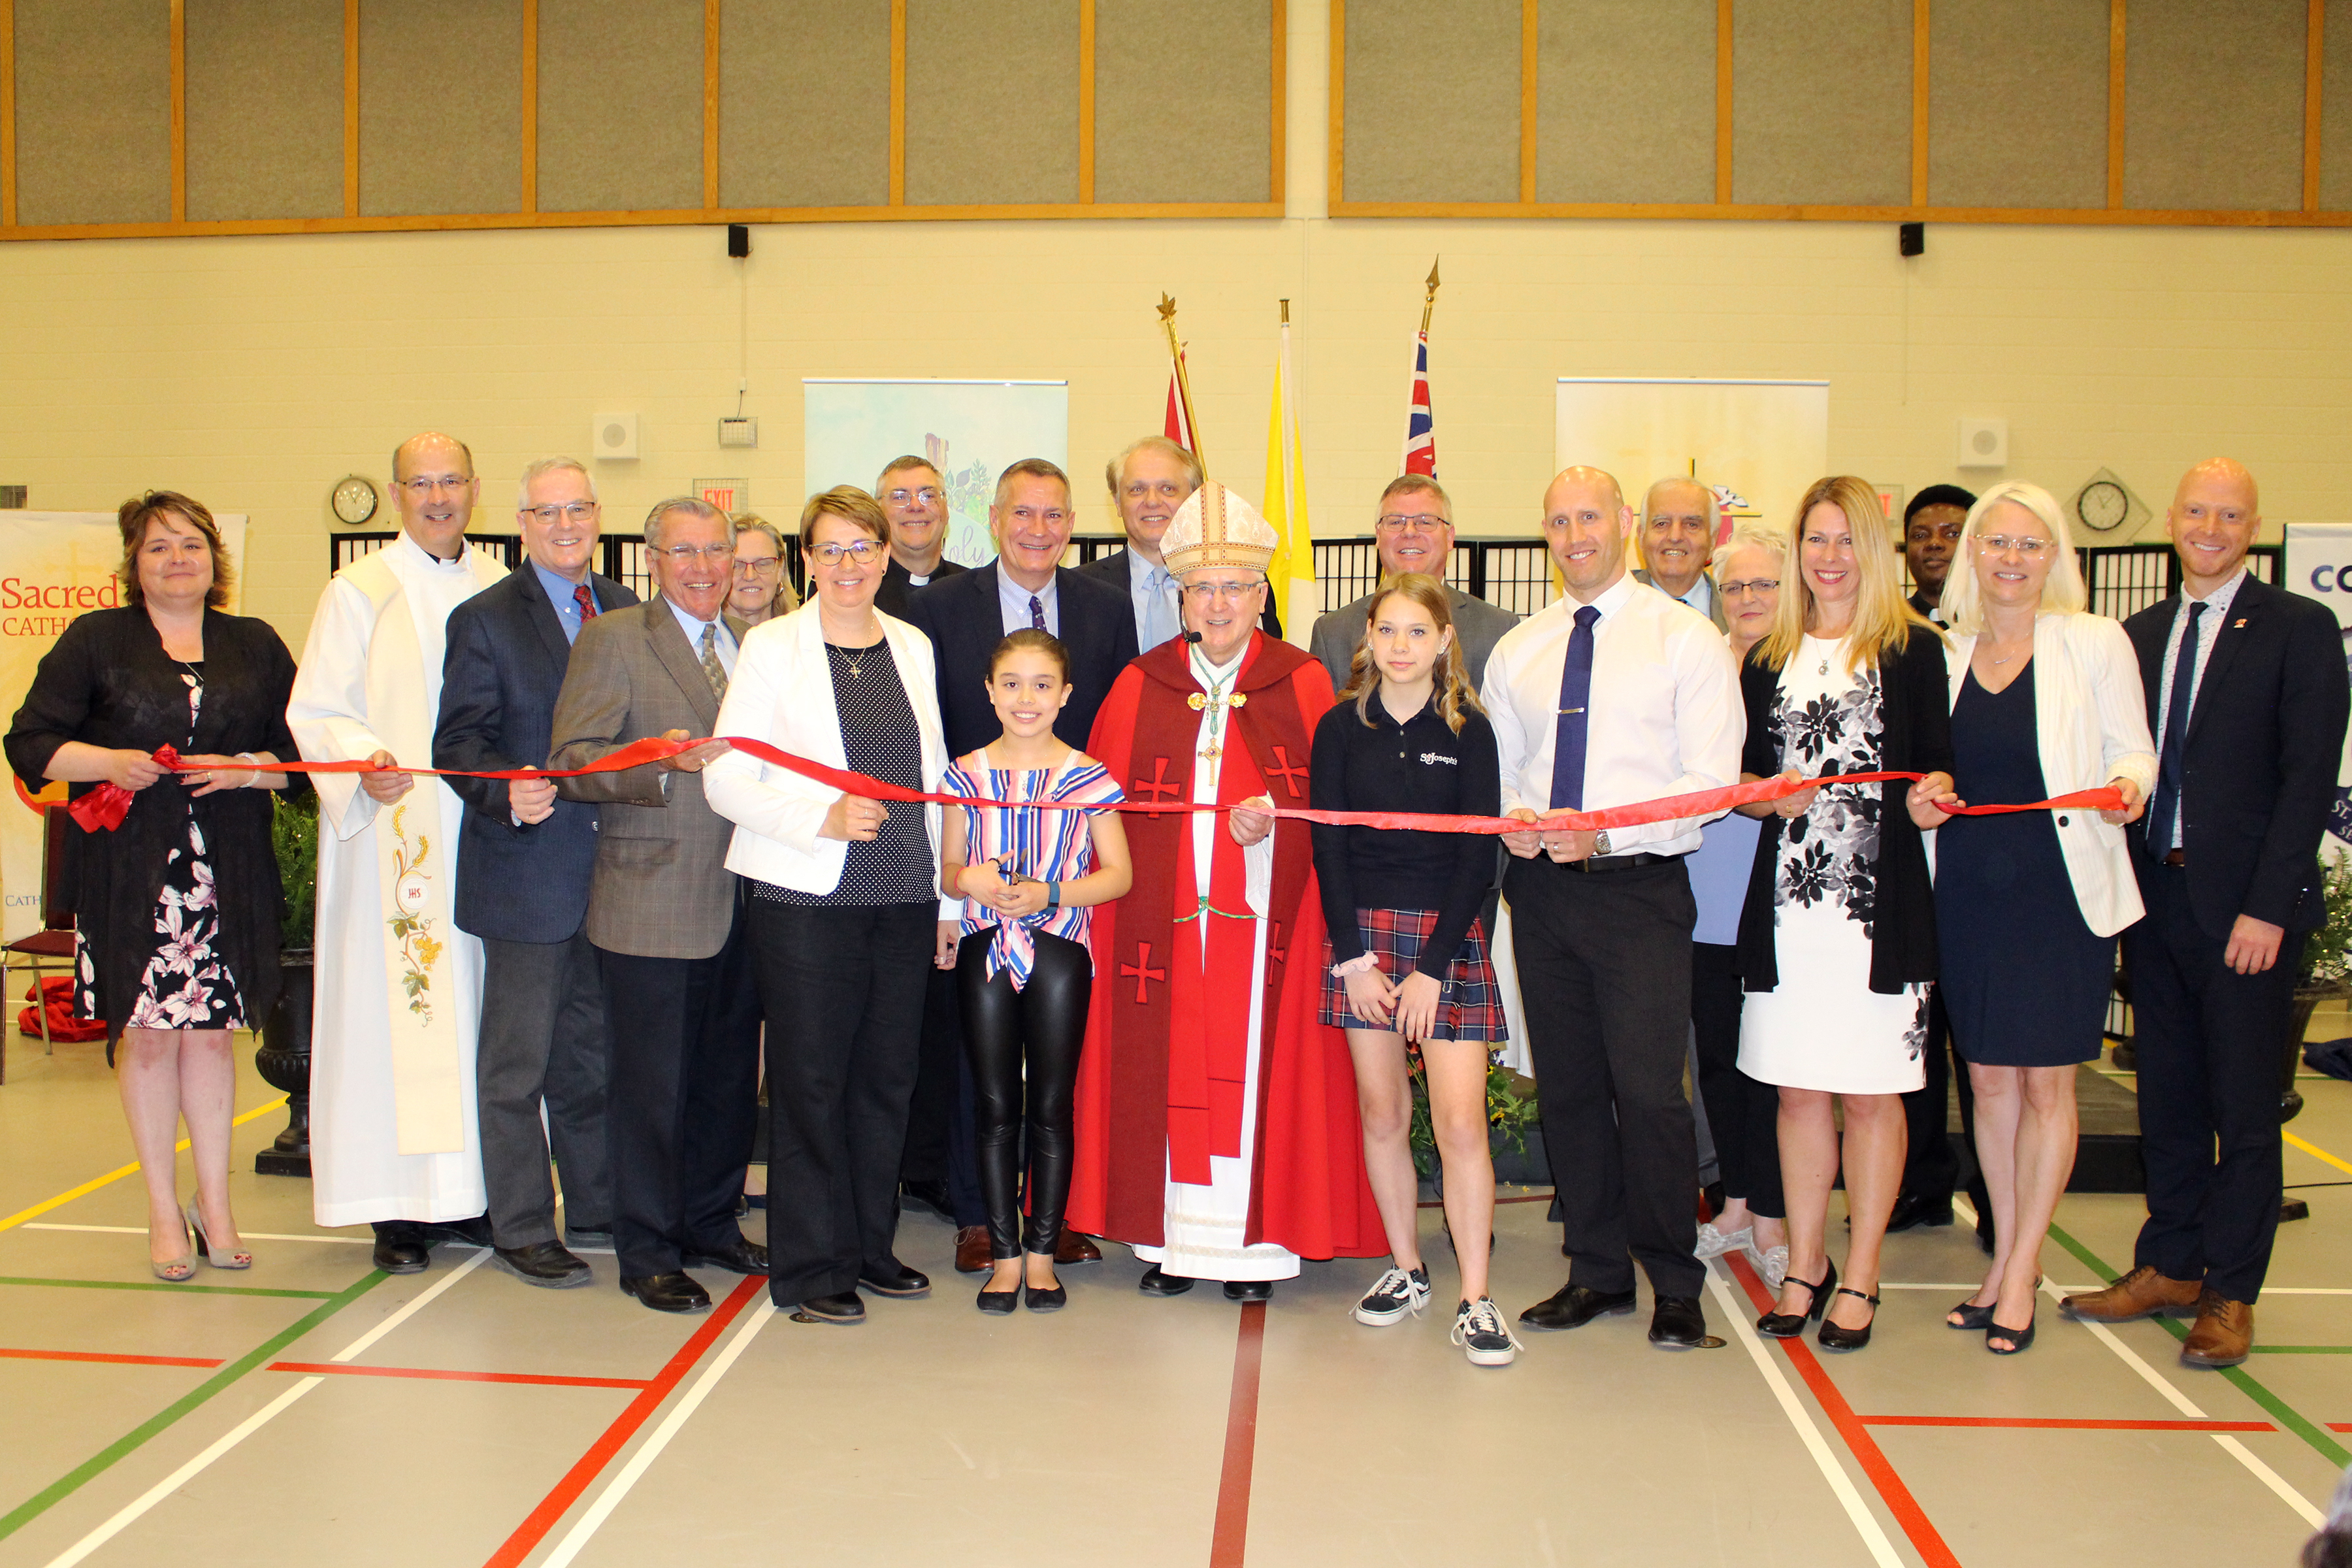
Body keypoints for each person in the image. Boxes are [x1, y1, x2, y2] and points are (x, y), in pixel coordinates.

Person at [2062, 457, 2349, 1369]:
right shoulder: (2135, 634)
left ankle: (2232, 1290)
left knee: (2245, 1107)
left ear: (2253, 526)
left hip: (2247, 917)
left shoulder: (2300, 631)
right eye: (2196, 511)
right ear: (2174, 519)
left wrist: (2268, 909)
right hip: (2158, 899)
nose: (2211, 528)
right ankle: (2170, 1263)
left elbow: (2309, 780)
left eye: (2230, 515)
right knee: (2171, 1096)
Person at [1068, 480, 1384, 1298]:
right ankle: (1174, 1246)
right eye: (1202, 588)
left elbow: (1338, 815)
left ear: (1262, 594)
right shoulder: (1140, 685)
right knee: (1163, 1068)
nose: (1218, 603)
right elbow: (1103, 810)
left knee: (1254, 1076)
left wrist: (1274, 827)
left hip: (1263, 933)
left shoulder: (1305, 683)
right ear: (1180, 598)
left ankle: (1255, 1252)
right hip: (1162, 933)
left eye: (1235, 588)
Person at [6, 493, 301, 1280]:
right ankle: (162, 1213)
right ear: (133, 565)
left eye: (192, 545)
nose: (178, 559)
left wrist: (248, 772)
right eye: (159, 547)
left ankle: (217, 1203)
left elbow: (300, 759)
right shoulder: (97, 640)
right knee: (147, 1038)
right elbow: (29, 742)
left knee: (209, 1036)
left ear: (216, 560)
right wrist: (106, 762)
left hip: (227, 876)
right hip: (133, 875)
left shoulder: (255, 644)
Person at [1481, 466, 1742, 1350]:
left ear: (1623, 524)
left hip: (1640, 894)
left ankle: (1674, 1281)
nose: (1575, 533)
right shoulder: (1521, 647)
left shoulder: (1686, 639)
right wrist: (1517, 824)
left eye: (1590, 516)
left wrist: (1608, 833)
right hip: (1545, 897)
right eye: (1559, 520)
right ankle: (1595, 1274)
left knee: (1651, 1095)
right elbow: (1508, 772)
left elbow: (1710, 785)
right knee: (1572, 1091)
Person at [705, 486, 947, 1324]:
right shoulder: (772, 648)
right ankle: (810, 1269)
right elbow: (725, 777)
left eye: (862, 548)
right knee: (812, 1084)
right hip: (807, 895)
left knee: (887, 1080)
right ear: (807, 561)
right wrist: (822, 818)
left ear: (886, 556)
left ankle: (868, 1246)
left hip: (905, 892)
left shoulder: (913, 644)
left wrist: (947, 898)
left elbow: (936, 776)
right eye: (830, 550)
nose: (848, 565)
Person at [1734, 476, 1955, 1354]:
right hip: (1789, 913)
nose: (1829, 558)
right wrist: (1763, 799)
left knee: (1869, 1100)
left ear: (1875, 550)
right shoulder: (1766, 660)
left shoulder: (1914, 652)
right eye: (1814, 541)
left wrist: (1935, 796)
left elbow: (1936, 771)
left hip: (1876, 915)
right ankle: (1805, 1264)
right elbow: (1746, 783)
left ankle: (1862, 1273)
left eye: (1845, 540)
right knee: (1796, 1095)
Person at [1933, 481, 2155, 1353]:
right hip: (1968, 895)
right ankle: (2002, 1259)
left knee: (2047, 1084)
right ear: (1972, 554)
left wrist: (2130, 787)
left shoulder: (2092, 643)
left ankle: (2021, 1266)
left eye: (2031, 544)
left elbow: (2132, 748)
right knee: (1988, 1081)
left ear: (2056, 557)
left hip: (2058, 892)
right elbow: (1926, 772)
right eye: (1998, 543)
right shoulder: (1943, 655)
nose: (2013, 559)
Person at [904, 458, 1137, 1274]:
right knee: (985, 1069)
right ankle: (981, 1215)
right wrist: (951, 891)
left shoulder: (1106, 611)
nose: (1039, 529)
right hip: (976, 883)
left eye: (1054, 515)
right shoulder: (938, 608)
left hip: (1067, 884)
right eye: (1023, 514)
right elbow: (929, 742)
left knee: (1056, 1078)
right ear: (995, 520)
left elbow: (1115, 729)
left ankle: (1051, 1219)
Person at [287, 432, 505, 1273]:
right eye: (422, 483)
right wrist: (361, 762)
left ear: (475, 490)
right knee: (398, 1013)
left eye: (452, 480)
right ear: (395, 493)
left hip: (484, 833)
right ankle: (395, 1207)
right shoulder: (358, 591)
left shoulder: (500, 585)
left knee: (479, 1015)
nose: (439, 496)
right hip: (396, 835)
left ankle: (473, 1197)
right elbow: (318, 707)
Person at [547, 497, 766, 1314]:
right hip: (650, 901)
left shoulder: (758, 644)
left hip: (749, 895)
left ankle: (713, 1220)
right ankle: (647, 1248)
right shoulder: (613, 639)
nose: (706, 568)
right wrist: (663, 765)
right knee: (649, 1091)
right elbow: (571, 764)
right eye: (687, 553)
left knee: (725, 1082)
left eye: (720, 553)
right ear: (652, 559)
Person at [433, 457, 638, 1289]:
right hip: (524, 875)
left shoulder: (628, 610)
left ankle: (593, 1207)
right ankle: (520, 1224)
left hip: (612, 873)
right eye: (546, 512)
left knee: (591, 1060)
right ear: (519, 524)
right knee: (516, 1067)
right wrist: (502, 794)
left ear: (597, 516)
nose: (565, 524)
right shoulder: (483, 618)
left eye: (578, 508)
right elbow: (457, 746)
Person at [1309, 575, 1513, 1365]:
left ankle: (1476, 1298)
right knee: (1383, 1115)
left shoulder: (1472, 731)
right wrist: (1356, 960)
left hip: (1446, 944)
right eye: (1386, 632)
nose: (1400, 647)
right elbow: (1330, 849)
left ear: (1443, 642)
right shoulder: (1338, 729)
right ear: (1368, 641)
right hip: (1364, 945)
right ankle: (1407, 1268)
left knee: (1460, 1124)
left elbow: (1477, 853)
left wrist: (1431, 968)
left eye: (1416, 633)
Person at [937, 630, 1133, 1312]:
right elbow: (949, 870)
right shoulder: (963, 774)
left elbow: (1119, 875)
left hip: (1059, 950)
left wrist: (1050, 892)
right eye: (1012, 684)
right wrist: (974, 881)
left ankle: (1045, 1254)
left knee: (1050, 1106)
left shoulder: (1090, 777)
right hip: (986, 947)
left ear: (1066, 695)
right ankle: (1004, 1254)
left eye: (1042, 685)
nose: (1027, 699)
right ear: (989, 692)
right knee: (995, 1106)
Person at [1686, 522, 1789, 1288]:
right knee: (1720, 1059)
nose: (1749, 598)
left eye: (1764, 585)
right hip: (1707, 887)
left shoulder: (1810, 668)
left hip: (1787, 896)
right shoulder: (1702, 661)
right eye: (1736, 586)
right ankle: (1736, 1203)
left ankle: (1778, 1213)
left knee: (1778, 1064)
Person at [1892, 482, 1981, 1241]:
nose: (1934, 543)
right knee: (1915, 1036)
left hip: (1990, 867)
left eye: (1951, 530)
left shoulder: (2004, 628)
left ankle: (1989, 1191)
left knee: (1981, 1041)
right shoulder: (1894, 633)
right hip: (1907, 862)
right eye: (1921, 532)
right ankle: (1921, 1181)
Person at [1307, 475, 1520, 693]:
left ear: (1450, 537)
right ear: (1378, 536)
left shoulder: (1500, 631)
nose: (1409, 532)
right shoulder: (1332, 633)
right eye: (1396, 522)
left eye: (1425, 521)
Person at [1081, 436, 1282, 644]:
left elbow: (1268, 663)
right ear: (1117, 502)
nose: (1152, 501)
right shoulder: (1084, 591)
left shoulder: (1244, 585)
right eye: (1137, 490)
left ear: (1195, 500)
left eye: (1168, 489)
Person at [872, 456, 966, 617]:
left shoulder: (974, 591)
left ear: (946, 510)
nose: (915, 507)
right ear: (879, 513)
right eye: (900, 497)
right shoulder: (858, 590)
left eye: (928, 496)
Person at [1633, 478, 1729, 632]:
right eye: (1662, 524)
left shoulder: (1739, 610)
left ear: (1713, 540)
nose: (1675, 537)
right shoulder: (1606, 605)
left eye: (1692, 525)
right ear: (1641, 537)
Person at [1903, 484, 1976, 623]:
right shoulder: (1884, 629)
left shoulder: (1997, 624)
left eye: (1953, 534)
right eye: (1920, 536)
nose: (1934, 543)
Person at [728, 514, 798, 626]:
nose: (750, 576)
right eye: (737, 565)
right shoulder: (703, 641)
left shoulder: (804, 637)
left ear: (780, 569)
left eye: (763, 564)